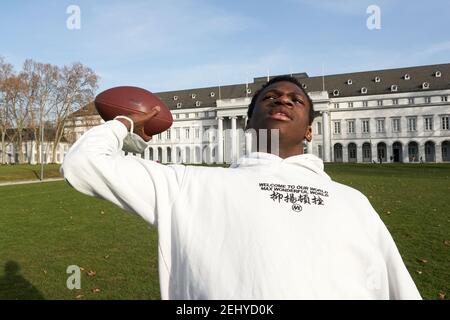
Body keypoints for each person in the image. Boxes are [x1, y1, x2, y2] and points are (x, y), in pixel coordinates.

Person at [61, 76, 421, 300]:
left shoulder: (354, 202)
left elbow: (399, 289)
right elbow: (85, 163)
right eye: (270, 98)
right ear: (248, 123)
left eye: (296, 100)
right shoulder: (191, 184)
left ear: (311, 129)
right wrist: (125, 121)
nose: (282, 100)